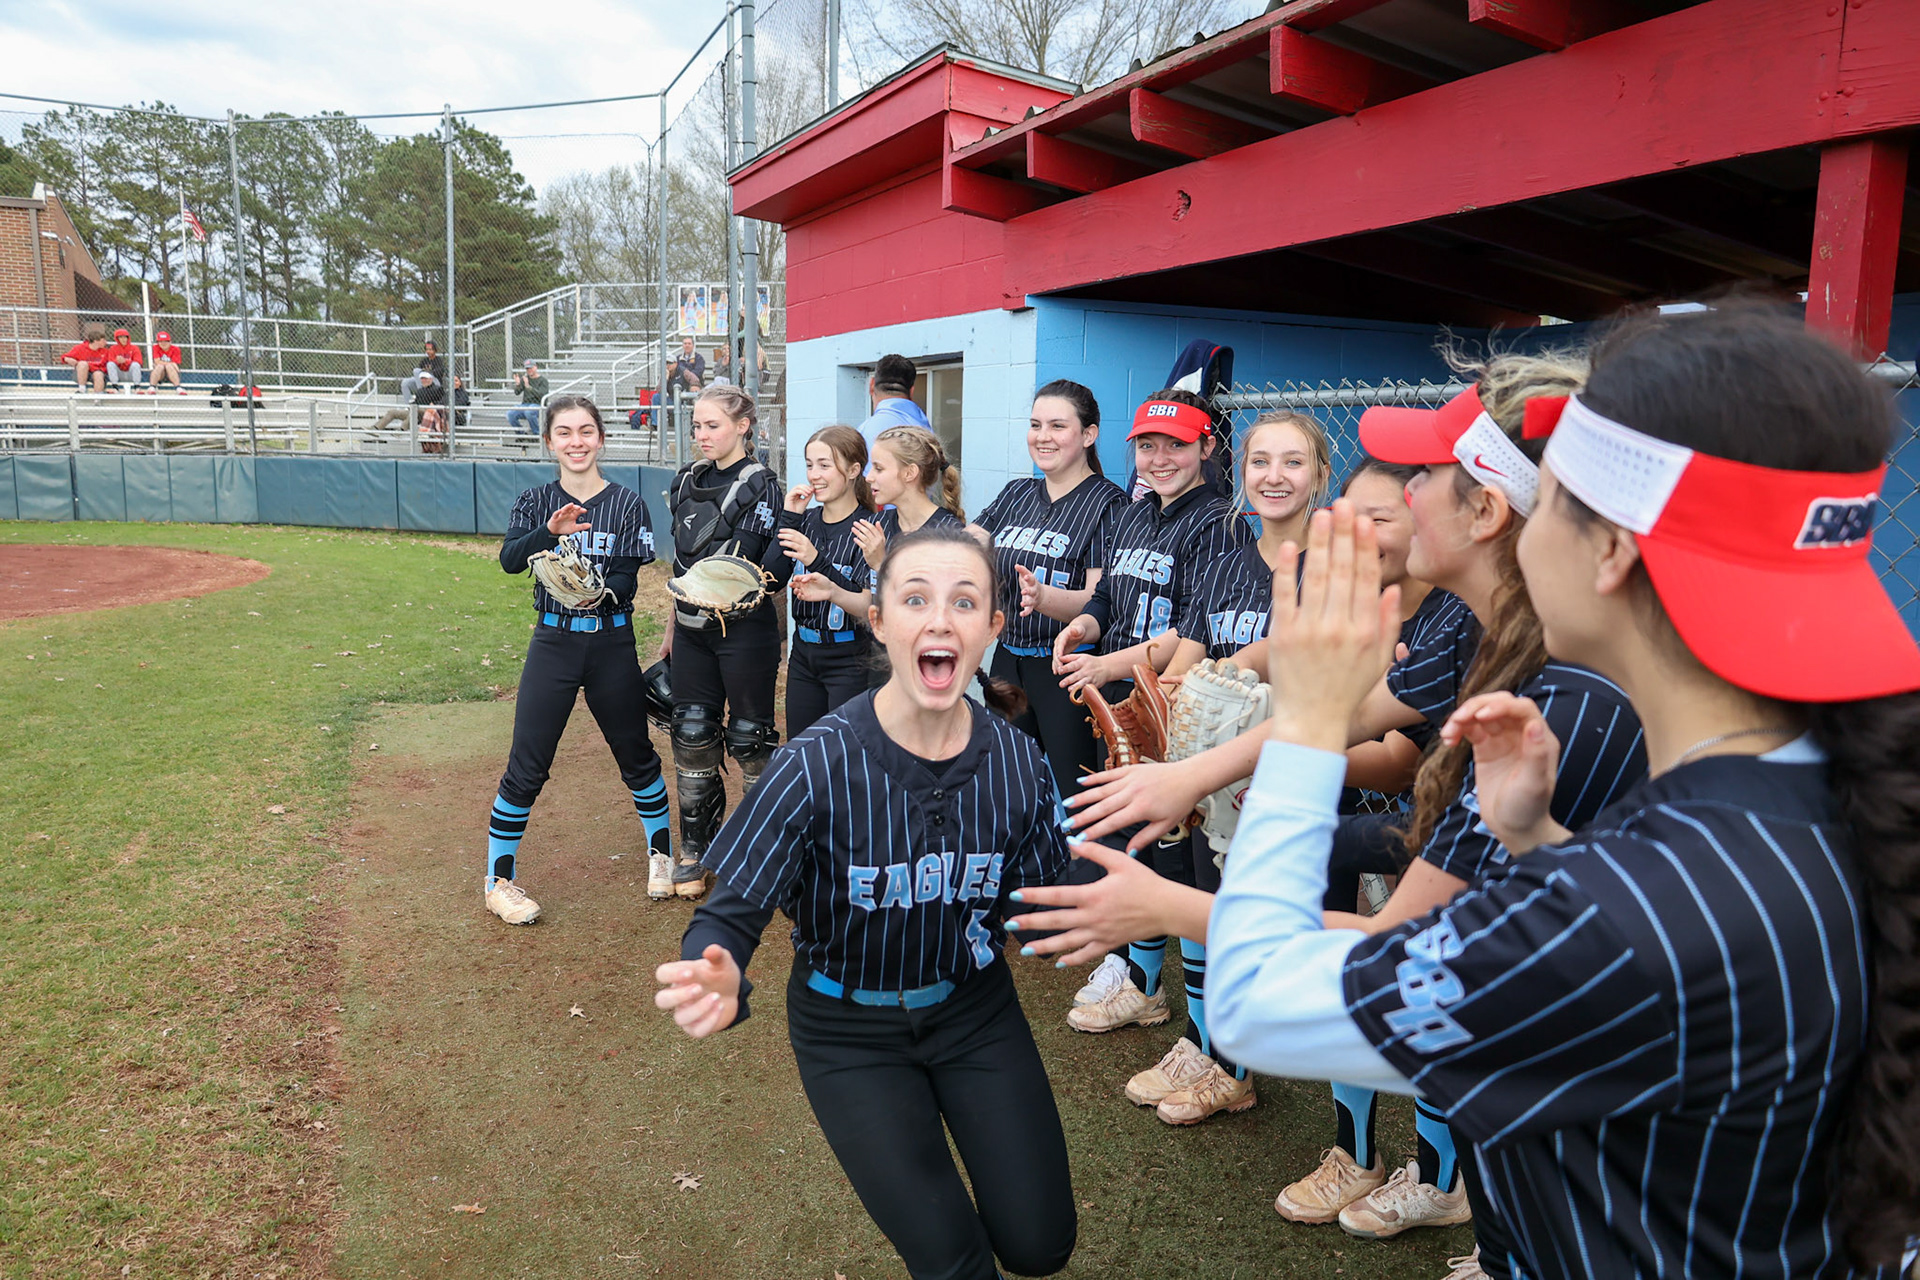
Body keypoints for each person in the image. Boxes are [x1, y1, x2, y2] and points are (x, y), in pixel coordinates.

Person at [1194, 306, 1920, 1280]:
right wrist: (1538, 841)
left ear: (1612, 546)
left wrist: (1313, 722)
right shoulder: (1839, 796)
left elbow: (1251, 999)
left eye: (1557, 498)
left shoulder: (1642, 903)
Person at [656, 527, 1077, 1280]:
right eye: (915, 599)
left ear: (992, 630)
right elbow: (730, 913)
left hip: (976, 1012)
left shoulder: (1017, 758)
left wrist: (1117, 890)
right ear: (879, 621)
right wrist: (713, 967)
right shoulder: (813, 763)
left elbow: (1041, 897)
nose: (940, 620)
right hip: (849, 1031)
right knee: (956, 1266)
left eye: (964, 602)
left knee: (1040, 1246)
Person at [1091, 410, 1333, 1127]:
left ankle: (1236, 1059)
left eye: (1293, 463)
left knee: (1249, 917)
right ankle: (1208, 1044)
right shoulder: (1230, 555)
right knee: (1199, 897)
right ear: (1243, 471)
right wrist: (1160, 711)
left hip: (1286, 775)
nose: (1274, 477)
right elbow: (1193, 650)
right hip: (1211, 776)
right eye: (1261, 461)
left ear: (1321, 475)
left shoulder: (1332, 567)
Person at [1045, 389, 1253, 1035]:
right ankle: (1140, 979)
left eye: (1175, 445)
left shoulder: (1221, 521)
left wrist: (1110, 665)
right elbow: (1109, 594)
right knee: (1134, 839)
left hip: (1181, 707)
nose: (1159, 458)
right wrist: (1084, 623)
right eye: (1147, 445)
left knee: (1172, 851)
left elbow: (1194, 629)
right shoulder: (1134, 512)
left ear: (1206, 448)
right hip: (1126, 701)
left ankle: (1170, 996)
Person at [484, 394, 670, 925]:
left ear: (601, 437)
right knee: (528, 762)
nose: (576, 441)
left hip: (611, 642)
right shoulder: (534, 499)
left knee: (635, 752)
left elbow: (630, 575)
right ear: (549, 442)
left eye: (586, 430)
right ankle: (498, 881)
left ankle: (660, 854)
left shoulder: (628, 502)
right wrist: (550, 531)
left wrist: (600, 592)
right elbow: (509, 561)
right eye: (564, 432)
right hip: (555, 643)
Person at [659, 385, 794, 901]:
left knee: (750, 739)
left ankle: (763, 851)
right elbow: (680, 567)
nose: (701, 435)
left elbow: (776, 568)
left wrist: (752, 590)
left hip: (745, 632)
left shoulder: (763, 486)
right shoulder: (685, 481)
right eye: (696, 425)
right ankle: (696, 849)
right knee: (692, 732)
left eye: (712, 425)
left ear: (743, 426)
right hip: (692, 631)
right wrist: (673, 624)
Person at [968, 380, 1127, 800]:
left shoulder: (1108, 503)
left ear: (1088, 435)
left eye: (1058, 425)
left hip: (1065, 668)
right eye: (1036, 424)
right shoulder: (1016, 492)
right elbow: (967, 544)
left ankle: (1076, 867)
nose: (1043, 436)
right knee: (1004, 782)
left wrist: (1043, 598)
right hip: (1007, 661)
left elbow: (1099, 601)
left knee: (1073, 795)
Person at [779, 426, 879, 737]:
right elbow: (769, 579)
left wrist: (816, 560)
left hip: (850, 659)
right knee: (801, 752)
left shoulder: (870, 527)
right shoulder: (806, 520)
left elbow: (867, 608)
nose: (814, 475)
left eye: (825, 465)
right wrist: (789, 517)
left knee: (845, 758)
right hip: (804, 654)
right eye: (809, 465)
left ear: (853, 470)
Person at [855, 354, 931, 455]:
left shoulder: (864, 433)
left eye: (878, 468)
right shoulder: (925, 430)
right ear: (912, 391)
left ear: (871, 386)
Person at [371, 370, 444, 433]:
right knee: (392, 412)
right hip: (416, 413)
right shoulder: (420, 391)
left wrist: (434, 404)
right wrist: (410, 405)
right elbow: (416, 402)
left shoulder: (438, 389)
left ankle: (402, 430)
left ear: (431, 379)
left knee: (416, 410)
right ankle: (376, 428)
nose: (423, 380)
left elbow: (443, 401)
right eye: (422, 379)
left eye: (425, 378)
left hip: (429, 414)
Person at [62, 325, 109, 393]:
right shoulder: (80, 348)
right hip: (82, 373)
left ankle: (98, 398)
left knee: (98, 374)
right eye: (103, 340)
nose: (106, 342)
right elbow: (64, 357)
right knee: (82, 364)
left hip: (97, 373)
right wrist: (67, 359)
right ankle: (82, 390)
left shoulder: (105, 351)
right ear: (96, 341)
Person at [508, 360, 547, 433]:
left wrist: (529, 387)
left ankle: (537, 433)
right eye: (527, 369)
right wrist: (518, 384)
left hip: (538, 405)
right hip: (525, 404)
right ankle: (520, 433)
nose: (529, 370)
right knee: (510, 413)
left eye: (531, 368)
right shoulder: (525, 379)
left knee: (529, 411)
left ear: (535, 367)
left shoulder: (543, 380)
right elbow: (517, 392)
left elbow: (542, 395)